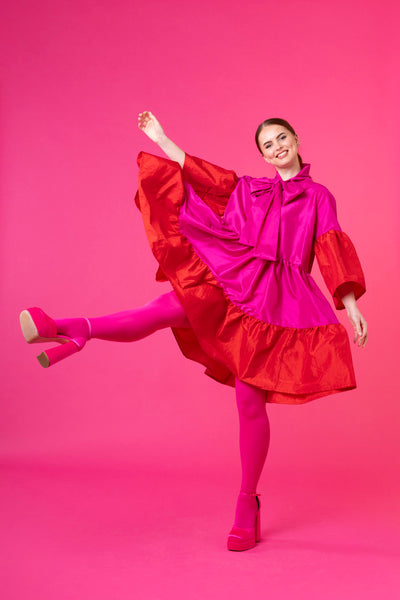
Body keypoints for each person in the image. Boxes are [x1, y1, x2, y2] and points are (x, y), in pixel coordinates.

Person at [19, 111, 368, 552]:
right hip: (235, 279)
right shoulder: (250, 188)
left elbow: (329, 244)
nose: (277, 147)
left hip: (277, 305)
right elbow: (204, 175)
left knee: (249, 403)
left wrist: (351, 306)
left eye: (282, 138)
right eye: (268, 145)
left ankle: (247, 503)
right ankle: (70, 328)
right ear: (263, 156)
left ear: (297, 139)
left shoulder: (319, 196)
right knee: (158, 311)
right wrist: (161, 138)